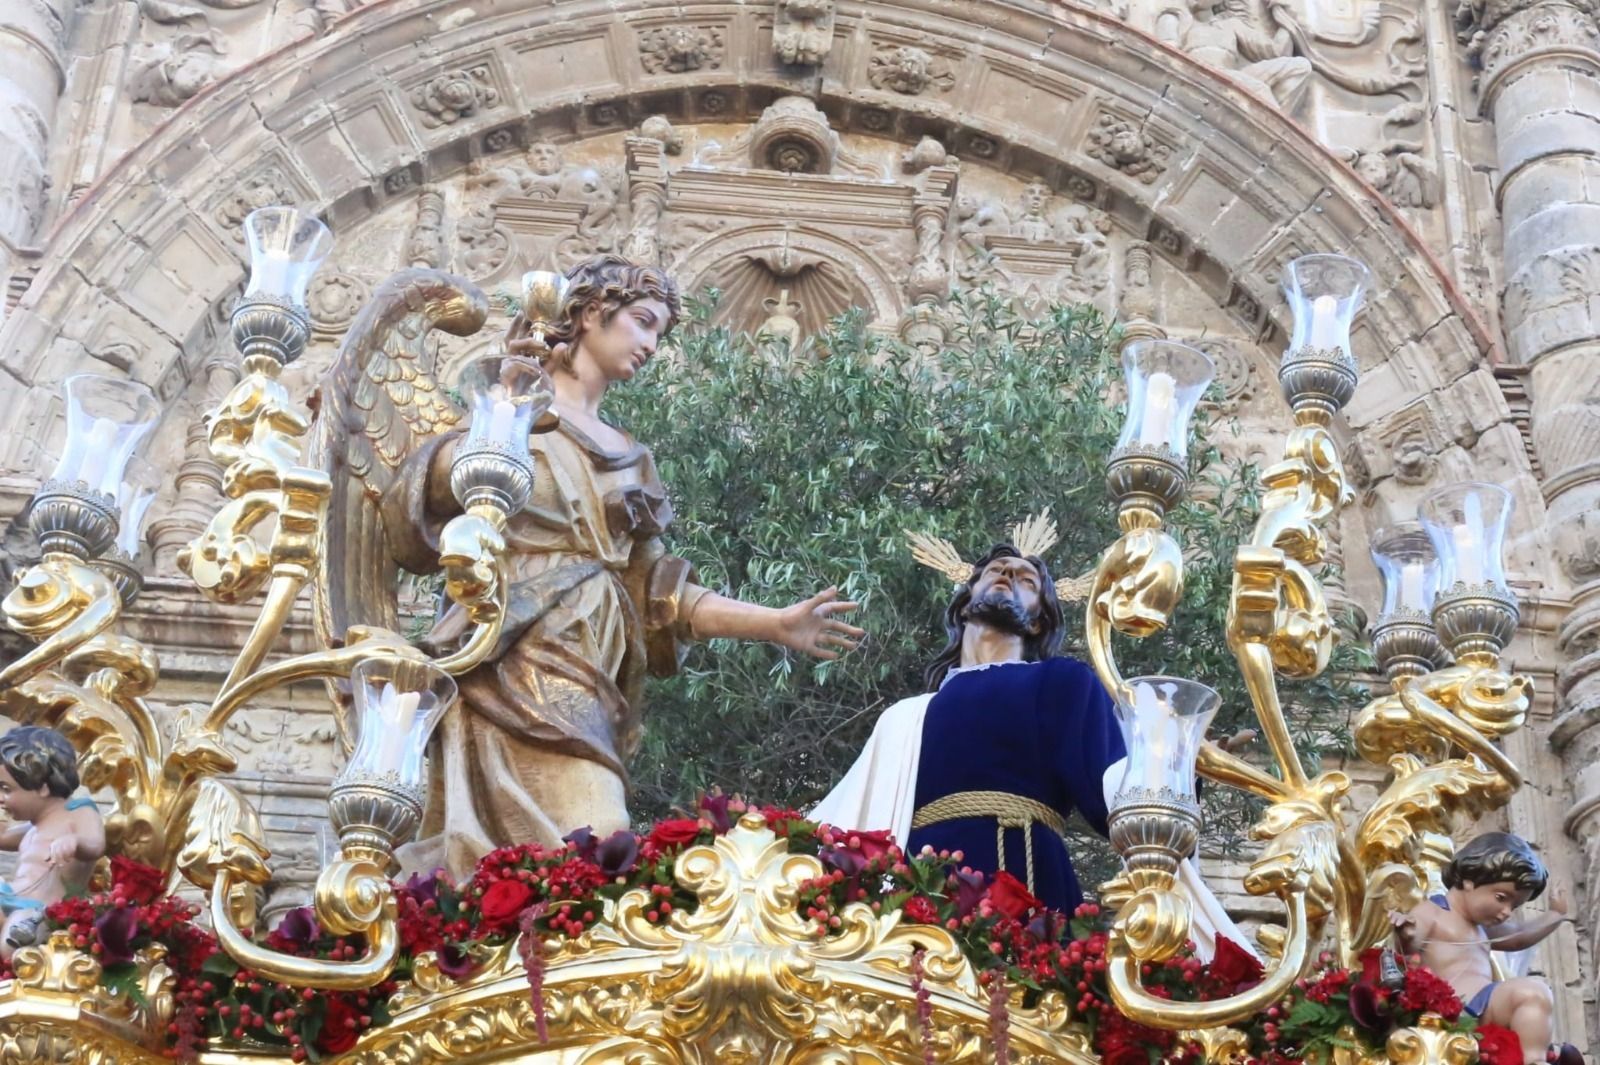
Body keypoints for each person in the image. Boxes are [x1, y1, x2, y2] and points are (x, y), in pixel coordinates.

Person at [380, 256, 864, 876]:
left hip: (592, 665)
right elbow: (418, 511)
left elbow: (656, 592)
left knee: (579, 848)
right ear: (589, 313)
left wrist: (773, 623)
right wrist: (497, 421)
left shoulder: (633, 459)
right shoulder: (509, 412)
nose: (651, 345)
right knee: (588, 841)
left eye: (659, 331)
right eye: (643, 322)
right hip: (505, 649)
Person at [811, 541, 1247, 959]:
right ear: (965, 602)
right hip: (920, 890)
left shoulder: (1061, 681)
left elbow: (1112, 793)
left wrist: (1173, 767)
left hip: (1025, 881)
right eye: (996, 571)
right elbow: (848, 819)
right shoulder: (906, 716)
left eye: (1027, 580)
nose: (1008, 575)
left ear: (1038, 621)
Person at [1392, 832, 1579, 1065]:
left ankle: (1535, 1059)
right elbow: (1408, 946)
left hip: (1484, 1006)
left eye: (1514, 905)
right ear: (1469, 880)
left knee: (1534, 998)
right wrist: (1406, 934)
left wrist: (1555, 915)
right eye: (1501, 898)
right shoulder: (1434, 912)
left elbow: (1518, 936)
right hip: (1455, 1010)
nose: (1507, 912)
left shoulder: (1482, 929)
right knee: (1532, 993)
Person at [0, 725, 105, 959]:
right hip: (8, 895)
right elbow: (3, 837)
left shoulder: (79, 811)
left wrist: (75, 841)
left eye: (6, 789)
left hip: (41, 911)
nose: (1, 799)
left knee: (10, 947)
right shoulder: (33, 827)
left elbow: (95, 845)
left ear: (42, 788)